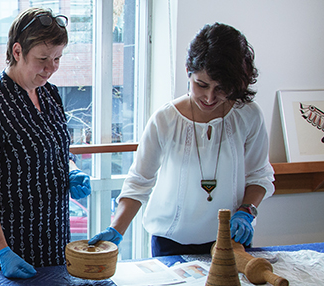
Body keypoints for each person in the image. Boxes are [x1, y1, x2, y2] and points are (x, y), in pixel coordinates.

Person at [90, 22, 274, 256]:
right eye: (202, 85)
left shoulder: (248, 115)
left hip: (231, 240)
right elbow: (139, 182)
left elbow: (259, 175)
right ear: (188, 70)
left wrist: (247, 211)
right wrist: (116, 230)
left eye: (221, 88)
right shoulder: (165, 119)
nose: (209, 97)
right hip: (171, 242)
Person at [0, 8, 91, 279]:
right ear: (18, 51)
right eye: (43, 59)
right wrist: (2, 252)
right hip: (12, 244)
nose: (51, 68)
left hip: (54, 235)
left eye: (57, 58)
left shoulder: (50, 94)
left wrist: (71, 170)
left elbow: (59, 151)